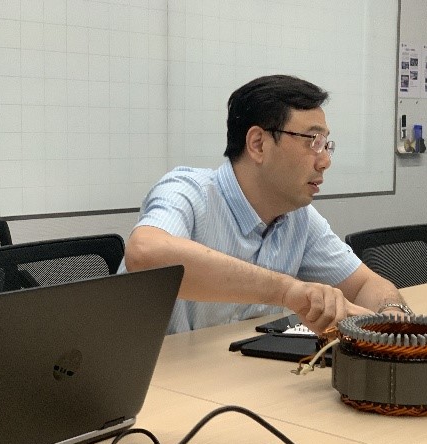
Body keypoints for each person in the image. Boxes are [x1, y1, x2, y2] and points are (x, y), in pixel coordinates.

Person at [123, 74, 410, 334]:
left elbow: (365, 285)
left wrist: (392, 316)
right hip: (153, 370)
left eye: (326, 144)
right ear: (258, 144)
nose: (325, 161)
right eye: (313, 141)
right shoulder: (188, 192)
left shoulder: (299, 218)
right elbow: (145, 253)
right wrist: (286, 291)